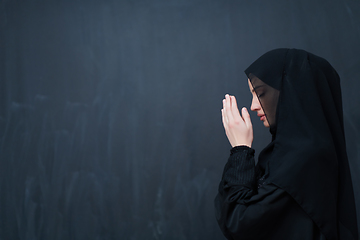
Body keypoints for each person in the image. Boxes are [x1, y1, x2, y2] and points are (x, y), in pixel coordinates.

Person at [215, 48, 358, 240]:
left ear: (292, 92)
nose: (253, 105)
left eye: (261, 93)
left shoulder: (306, 157)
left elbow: (239, 223)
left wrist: (241, 149)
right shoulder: (284, 154)